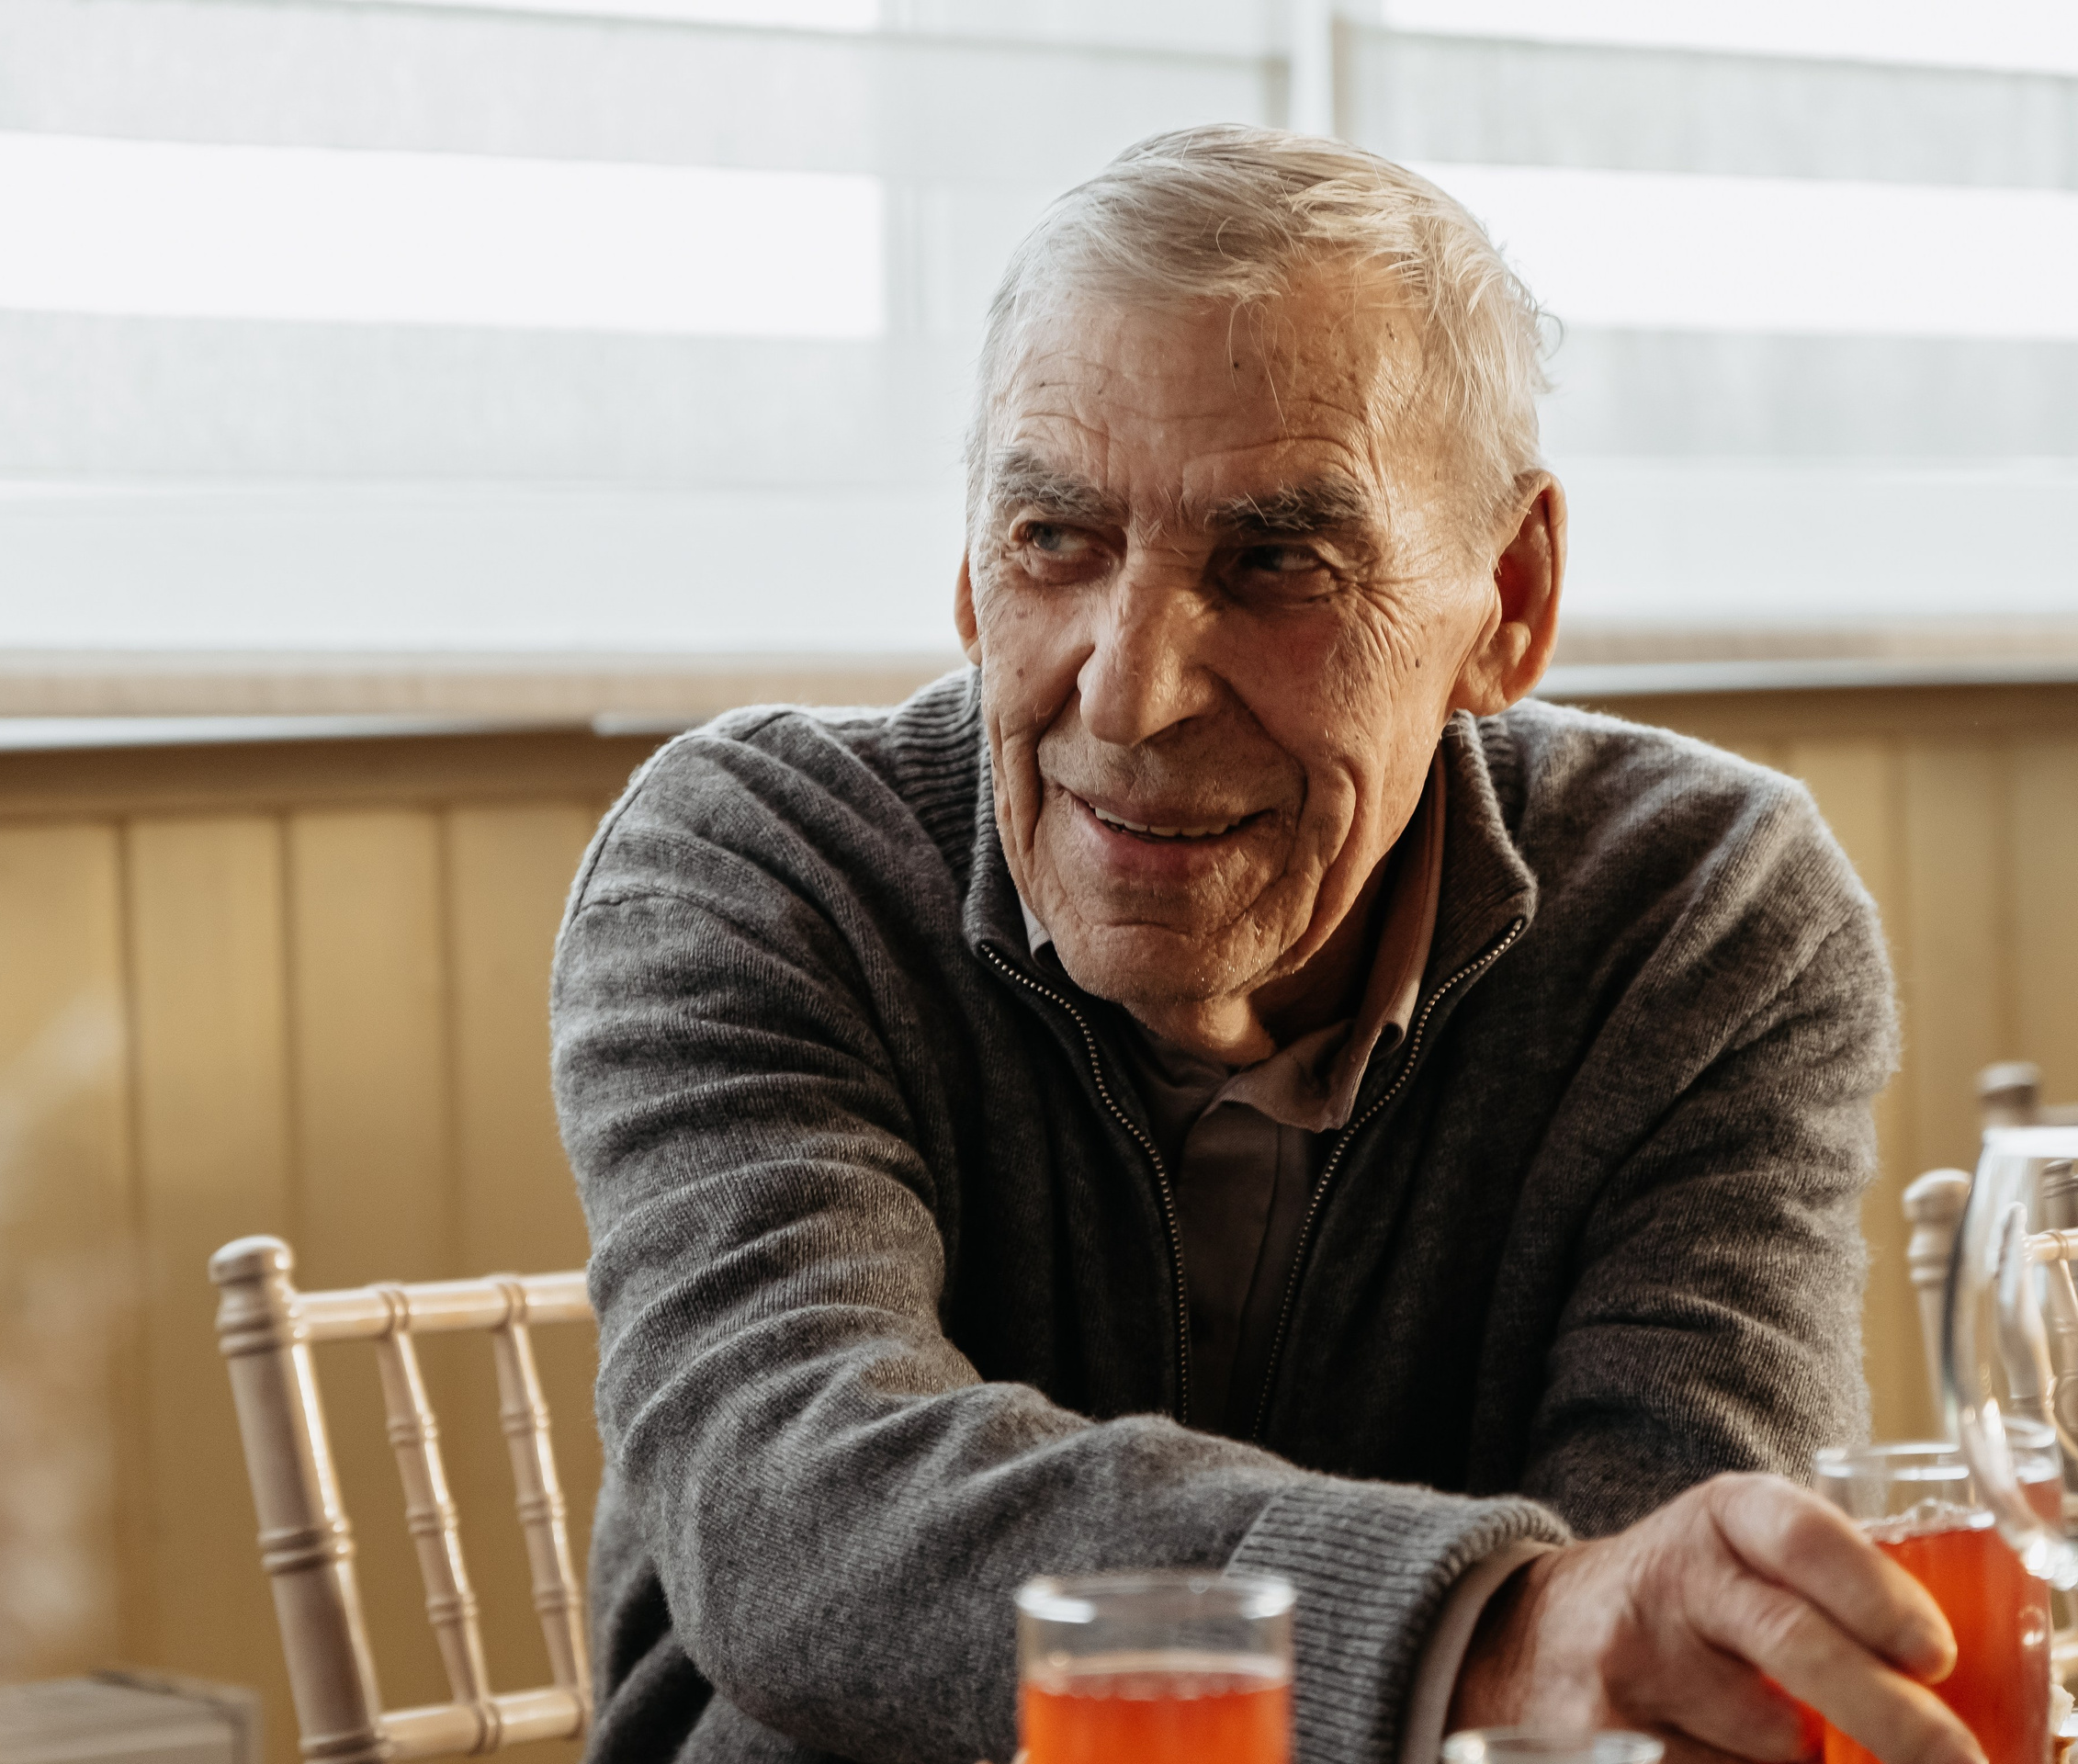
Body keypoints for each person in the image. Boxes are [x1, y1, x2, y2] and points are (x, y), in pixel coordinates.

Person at [552, 127, 1974, 1764]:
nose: (1129, 689)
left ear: (1506, 599)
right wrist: (1480, 1632)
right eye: (1054, 540)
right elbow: (794, 1510)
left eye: (1277, 563)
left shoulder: (1699, 913)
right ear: (966, 568)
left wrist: (1551, 1651)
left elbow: (1673, 1637)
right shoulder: (757, 866)